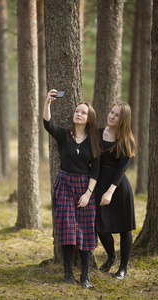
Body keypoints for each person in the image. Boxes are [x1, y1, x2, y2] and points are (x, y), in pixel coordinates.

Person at [43, 89, 101, 288]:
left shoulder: (94, 140)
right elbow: (48, 124)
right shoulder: (64, 135)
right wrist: (48, 103)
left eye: (83, 112)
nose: (79, 114)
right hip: (65, 185)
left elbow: (96, 170)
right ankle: (67, 272)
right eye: (77, 111)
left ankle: (85, 275)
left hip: (85, 187)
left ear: (89, 118)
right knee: (67, 228)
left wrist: (88, 193)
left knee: (85, 231)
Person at [95, 102, 136, 280]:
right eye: (111, 112)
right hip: (99, 181)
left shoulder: (127, 140)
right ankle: (112, 256)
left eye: (116, 115)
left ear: (123, 119)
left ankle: (123, 268)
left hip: (118, 187)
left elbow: (121, 170)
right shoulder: (97, 133)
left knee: (124, 229)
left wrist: (110, 191)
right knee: (101, 226)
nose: (111, 116)